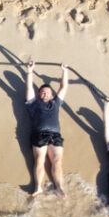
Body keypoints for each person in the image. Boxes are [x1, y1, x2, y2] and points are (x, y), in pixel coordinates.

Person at [24, 61, 70, 197]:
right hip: (39, 134)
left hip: (55, 135)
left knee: (57, 160)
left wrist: (64, 71)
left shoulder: (56, 103)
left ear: (51, 94)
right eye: (42, 92)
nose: (45, 94)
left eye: (47, 92)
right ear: (39, 94)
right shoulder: (33, 103)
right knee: (40, 159)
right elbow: (28, 88)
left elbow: (64, 86)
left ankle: (59, 187)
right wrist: (30, 72)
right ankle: (37, 187)